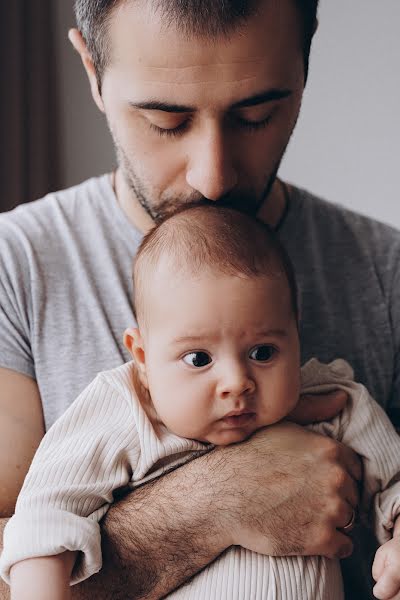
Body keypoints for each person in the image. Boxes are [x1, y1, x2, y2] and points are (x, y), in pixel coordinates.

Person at [0, 0, 399, 598]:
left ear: (306, 57)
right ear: (92, 70)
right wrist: (213, 505)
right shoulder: (15, 270)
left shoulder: (387, 273)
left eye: (257, 114)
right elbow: (28, 545)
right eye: (166, 120)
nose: (212, 178)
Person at [2, 205, 400, 600]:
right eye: (198, 359)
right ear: (142, 358)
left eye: (262, 352)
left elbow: (395, 482)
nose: (236, 383)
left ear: (295, 331)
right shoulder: (126, 409)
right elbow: (46, 519)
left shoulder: (331, 399)